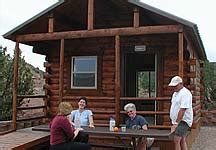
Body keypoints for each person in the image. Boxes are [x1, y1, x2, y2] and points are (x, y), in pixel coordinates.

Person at [168, 76, 193, 150]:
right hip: (177, 121)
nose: (174, 87)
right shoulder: (175, 93)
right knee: (182, 140)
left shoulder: (185, 93)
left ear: (181, 84)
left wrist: (176, 123)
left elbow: (183, 109)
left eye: (175, 85)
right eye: (173, 86)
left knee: (176, 139)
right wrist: (174, 122)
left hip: (183, 121)